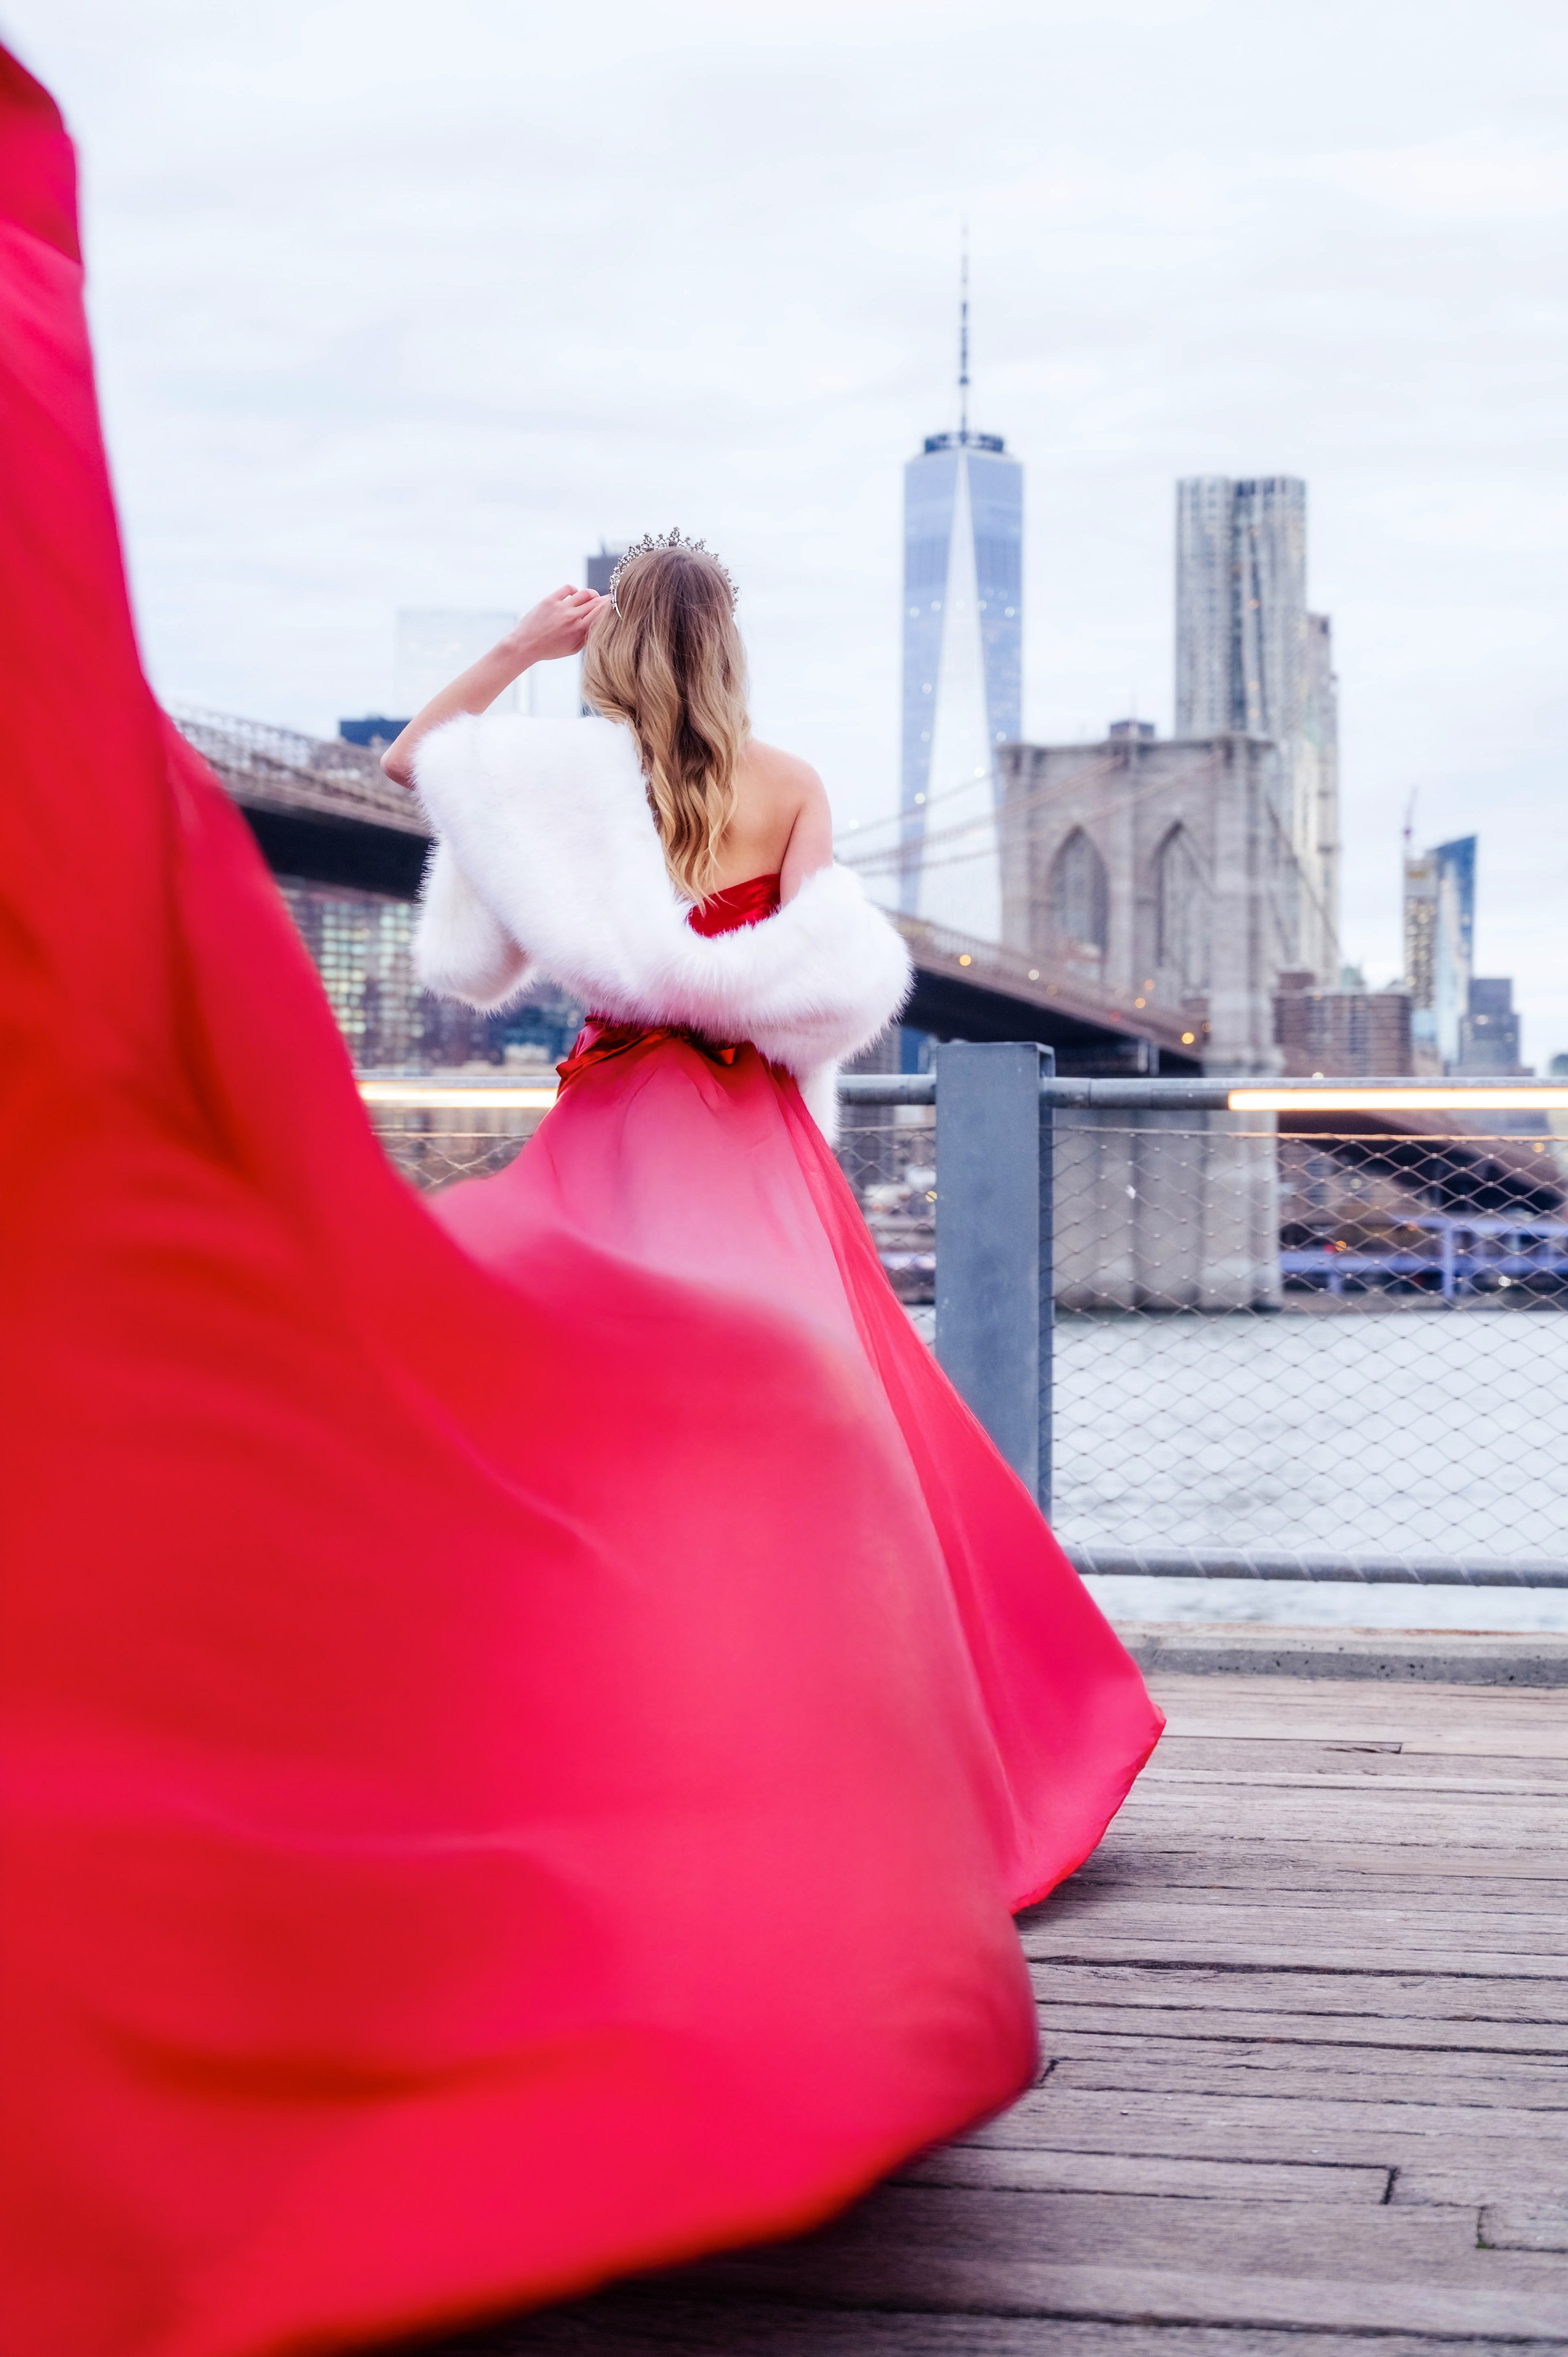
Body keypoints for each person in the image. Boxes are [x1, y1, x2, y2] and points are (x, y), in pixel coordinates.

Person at [0, 55, 1160, 2357]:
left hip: (621, 1120)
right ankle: (912, 1805)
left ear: (617, 654)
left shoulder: (539, 778)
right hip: (754, 1135)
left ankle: (625, 1809)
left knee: (588, 1449)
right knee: (838, 1461)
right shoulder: (807, 787)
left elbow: (428, 833)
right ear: (730, 661)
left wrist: (515, 668)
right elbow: (832, 984)